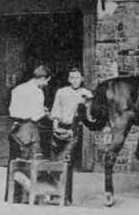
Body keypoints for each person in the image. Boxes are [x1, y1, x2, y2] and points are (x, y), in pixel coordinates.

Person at [6, 65, 52, 202]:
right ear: (42, 78)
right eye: (47, 81)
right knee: (33, 163)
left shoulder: (17, 89)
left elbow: (13, 112)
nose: (47, 84)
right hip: (30, 130)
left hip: (16, 131)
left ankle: (15, 197)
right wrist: (46, 113)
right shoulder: (38, 92)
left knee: (15, 163)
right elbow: (37, 116)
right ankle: (34, 192)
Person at [50, 67, 93, 205]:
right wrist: (55, 127)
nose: (75, 80)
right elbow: (56, 109)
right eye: (72, 77)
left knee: (66, 161)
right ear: (68, 79)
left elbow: (88, 115)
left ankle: (66, 196)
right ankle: (54, 193)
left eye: (77, 77)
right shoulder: (61, 92)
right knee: (55, 160)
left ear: (82, 79)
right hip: (59, 128)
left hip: (73, 130)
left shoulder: (86, 94)